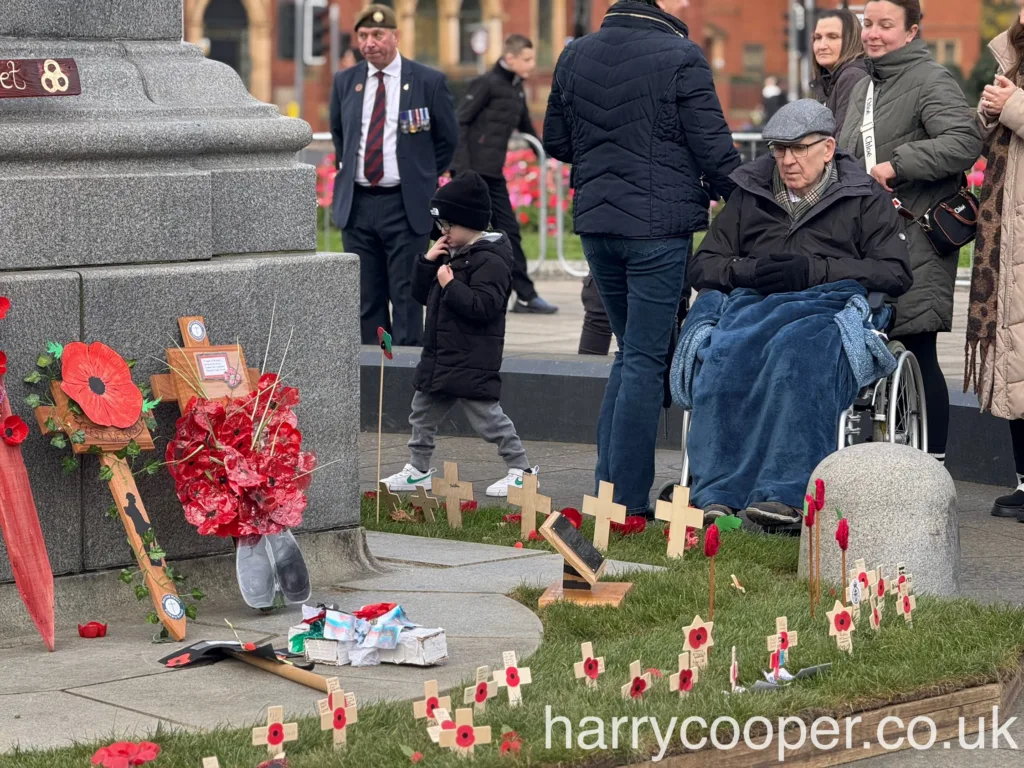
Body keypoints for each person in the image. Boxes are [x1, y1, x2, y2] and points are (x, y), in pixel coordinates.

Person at [543, 0, 740, 518]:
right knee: (645, 361)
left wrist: (610, 153)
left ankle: (607, 493)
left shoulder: (574, 53)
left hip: (597, 224)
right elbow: (715, 151)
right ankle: (627, 504)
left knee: (630, 356)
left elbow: (556, 140)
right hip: (657, 227)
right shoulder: (681, 55)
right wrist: (750, 204)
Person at [684, 100, 912, 528]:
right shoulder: (749, 192)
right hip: (754, 302)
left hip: (829, 304)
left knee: (798, 353)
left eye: (798, 149)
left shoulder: (864, 197)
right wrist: (746, 270)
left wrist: (817, 269)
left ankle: (785, 492)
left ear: (827, 148)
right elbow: (703, 264)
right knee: (725, 355)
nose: (787, 160)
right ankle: (718, 491)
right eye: (778, 149)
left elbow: (896, 273)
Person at [837, 0, 982, 469]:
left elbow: (963, 141)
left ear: (913, 31)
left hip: (914, 234)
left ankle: (932, 468)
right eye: (868, 24)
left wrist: (898, 165)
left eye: (886, 25)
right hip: (866, 237)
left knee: (917, 347)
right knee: (869, 341)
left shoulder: (930, 79)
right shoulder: (863, 85)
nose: (873, 34)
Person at [380, 172, 538, 498]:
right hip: (441, 357)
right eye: (441, 226)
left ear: (470, 223)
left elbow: (485, 306)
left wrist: (450, 285)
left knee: (488, 419)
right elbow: (423, 296)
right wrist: (427, 263)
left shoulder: (491, 259)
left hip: (471, 359)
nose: (444, 232)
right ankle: (418, 470)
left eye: (449, 225)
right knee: (421, 414)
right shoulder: (453, 254)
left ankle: (521, 471)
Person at [328, 4, 458, 347]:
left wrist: (423, 176)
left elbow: (447, 140)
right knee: (367, 301)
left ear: (396, 36)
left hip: (404, 206)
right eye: (363, 36)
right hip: (358, 206)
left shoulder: (427, 81)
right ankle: (376, 372)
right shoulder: (346, 81)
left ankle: (403, 377)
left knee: (406, 299)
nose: (369, 43)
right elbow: (340, 135)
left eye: (377, 35)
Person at [452, 34, 559, 315]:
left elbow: (526, 127)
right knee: (468, 236)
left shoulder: (516, 88)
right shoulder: (486, 83)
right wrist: (462, 172)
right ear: (509, 58)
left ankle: (524, 295)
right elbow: (460, 122)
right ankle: (458, 289)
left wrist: (545, 156)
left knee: (508, 233)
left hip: (492, 175)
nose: (532, 65)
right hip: (473, 176)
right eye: (526, 59)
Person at [968, 4, 1024, 520]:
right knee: (1012, 357)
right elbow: (991, 139)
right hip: (1005, 233)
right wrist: (988, 110)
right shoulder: (1011, 55)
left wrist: (1014, 105)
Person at [810, 8, 869, 134]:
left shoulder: (852, 76)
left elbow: (842, 144)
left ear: (851, 40)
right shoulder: (829, 80)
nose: (822, 46)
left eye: (832, 37)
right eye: (818, 37)